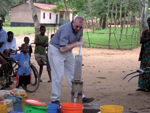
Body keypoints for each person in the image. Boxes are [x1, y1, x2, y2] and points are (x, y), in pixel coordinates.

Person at [48, 16, 94, 104]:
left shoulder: (80, 28)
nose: (78, 28)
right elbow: (62, 49)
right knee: (58, 76)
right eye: (76, 26)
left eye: (80, 27)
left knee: (74, 74)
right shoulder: (66, 30)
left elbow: (80, 36)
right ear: (72, 22)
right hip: (56, 50)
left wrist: (81, 40)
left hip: (67, 50)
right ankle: (55, 99)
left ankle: (81, 96)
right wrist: (77, 43)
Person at [137, 17, 150, 92]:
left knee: (148, 70)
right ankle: (142, 86)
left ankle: (148, 87)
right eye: (149, 22)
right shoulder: (146, 31)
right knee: (143, 70)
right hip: (145, 54)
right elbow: (141, 41)